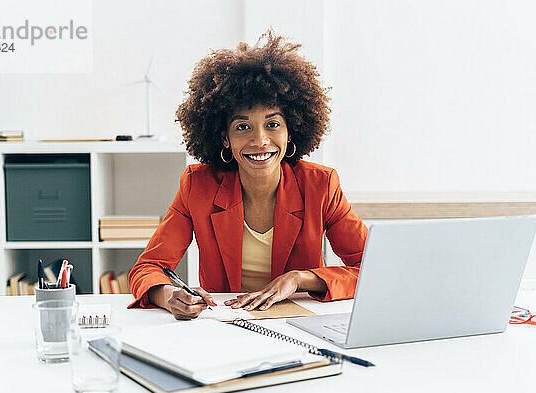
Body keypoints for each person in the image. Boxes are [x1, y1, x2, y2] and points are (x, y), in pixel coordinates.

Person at [128, 30, 368, 320]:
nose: (260, 140)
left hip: (300, 321)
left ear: (290, 130)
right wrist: (168, 295)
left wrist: (299, 279)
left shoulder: (321, 186)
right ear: (224, 137)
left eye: (272, 124)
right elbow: (148, 268)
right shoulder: (197, 186)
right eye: (243, 127)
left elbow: (370, 269)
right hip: (226, 324)